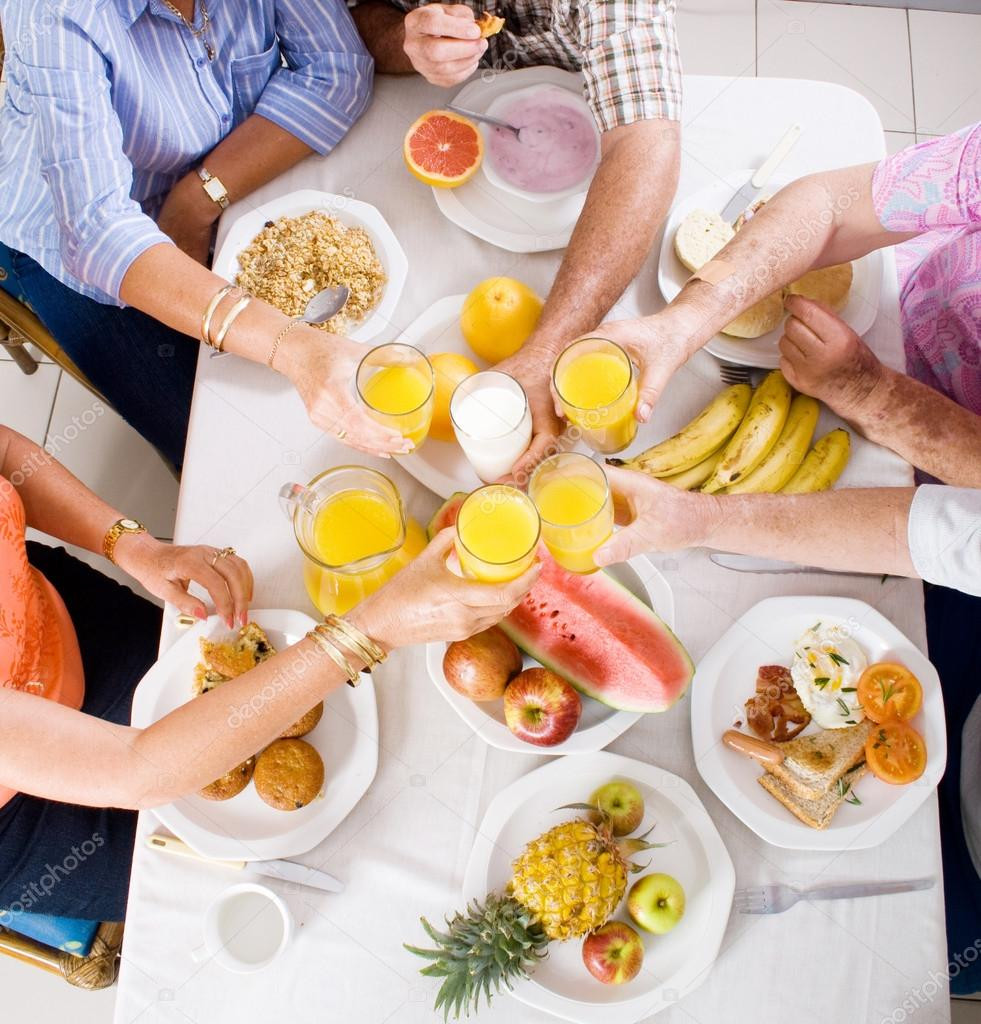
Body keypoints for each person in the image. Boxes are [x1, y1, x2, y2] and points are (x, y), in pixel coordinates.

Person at [0, 422, 539, 922]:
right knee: (213, 894)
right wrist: (369, 631)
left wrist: (130, 543)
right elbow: (135, 768)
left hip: (57, 615)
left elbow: (4, 453)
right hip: (28, 820)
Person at [0, 0, 405, 471]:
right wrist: (291, 347)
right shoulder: (52, 12)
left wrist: (195, 202)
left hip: (210, 173)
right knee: (229, 457)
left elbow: (337, 67)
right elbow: (97, 229)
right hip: (73, 242)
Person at [351, 0, 683, 472]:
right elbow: (357, 22)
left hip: (597, 168)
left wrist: (550, 349)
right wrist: (407, 41)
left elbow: (647, 144)